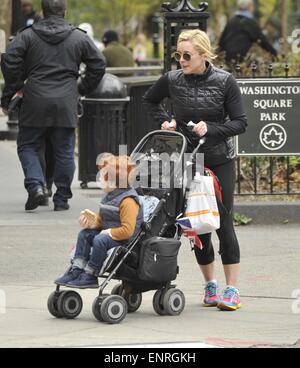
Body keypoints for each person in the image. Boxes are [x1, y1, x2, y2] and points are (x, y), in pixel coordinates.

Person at [143, 29, 248, 311]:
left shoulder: (225, 81)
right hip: (187, 160)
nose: (181, 60)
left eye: (187, 55)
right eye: (178, 54)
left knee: (223, 224)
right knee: (197, 224)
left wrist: (210, 128)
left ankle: (232, 290)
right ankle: (210, 285)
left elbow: (240, 123)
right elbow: (150, 100)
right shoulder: (172, 79)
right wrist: (166, 122)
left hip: (218, 159)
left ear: (203, 54)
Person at [0, 0, 106, 212]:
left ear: (43, 12)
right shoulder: (78, 37)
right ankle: (62, 198)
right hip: (66, 100)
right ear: (64, 12)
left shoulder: (27, 35)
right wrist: (81, 88)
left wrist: (17, 85)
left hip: (34, 99)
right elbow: (98, 64)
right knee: (64, 150)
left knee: (28, 145)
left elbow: (9, 58)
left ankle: (36, 185)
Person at [55, 155, 144, 289]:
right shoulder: (110, 196)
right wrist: (93, 222)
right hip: (110, 234)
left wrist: (107, 232)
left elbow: (128, 230)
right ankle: (77, 269)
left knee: (100, 240)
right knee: (84, 234)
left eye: (102, 178)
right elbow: (104, 220)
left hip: (124, 240)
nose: (99, 181)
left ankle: (91, 274)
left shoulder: (128, 201)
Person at [219, 0, 277, 64]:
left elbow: (221, 41)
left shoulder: (231, 21)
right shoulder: (250, 23)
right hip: (240, 59)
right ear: (250, 6)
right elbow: (263, 42)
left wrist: (218, 56)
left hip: (226, 58)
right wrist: (275, 55)